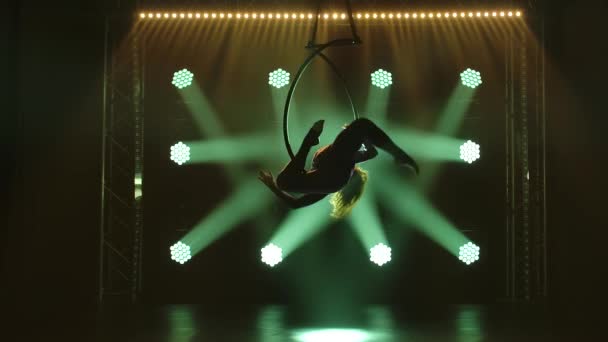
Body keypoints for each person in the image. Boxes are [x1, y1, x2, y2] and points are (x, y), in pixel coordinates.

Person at [258, 118, 419, 217]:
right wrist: (360, 138)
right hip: (336, 169)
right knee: (362, 125)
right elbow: (372, 152)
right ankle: (310, 139)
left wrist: (272, 186)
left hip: (336, 172)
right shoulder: (334, 175)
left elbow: (295, 204)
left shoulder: (324, 185)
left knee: (283, 182)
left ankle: (311, 139)